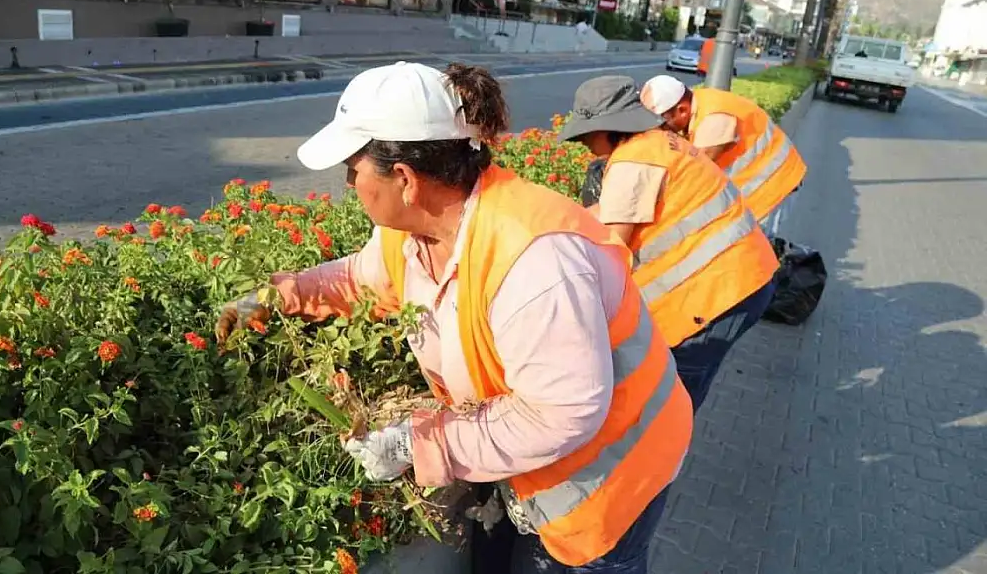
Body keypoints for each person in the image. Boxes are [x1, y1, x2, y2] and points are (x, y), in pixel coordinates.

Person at [214, 62, 692, 573]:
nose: (349, 181)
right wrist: (274, 295)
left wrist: (415, 441)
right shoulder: (413, 232)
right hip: (537, 465)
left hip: (608, 477)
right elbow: (362, 278)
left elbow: (561, 414)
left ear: (403, 178)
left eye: (352, 168)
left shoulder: (535, 258)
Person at [559, 75, 779, 413]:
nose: (583, 144)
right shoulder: (657, 143)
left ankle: (660, 458)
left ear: (608, 128)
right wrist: (560, 219)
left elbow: (613, 244)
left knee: (669, 398)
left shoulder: (634, 161)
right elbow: (612, 210)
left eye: (586, 135)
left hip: (717, 295)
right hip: (743, 277)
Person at [639, 74, 807, 238]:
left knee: (751, 249)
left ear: (682, 110)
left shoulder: (714, 119)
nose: (660, 128)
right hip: (757, 186)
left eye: (662, 122)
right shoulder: (697, 103)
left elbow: (694, 172)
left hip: (772, 185)